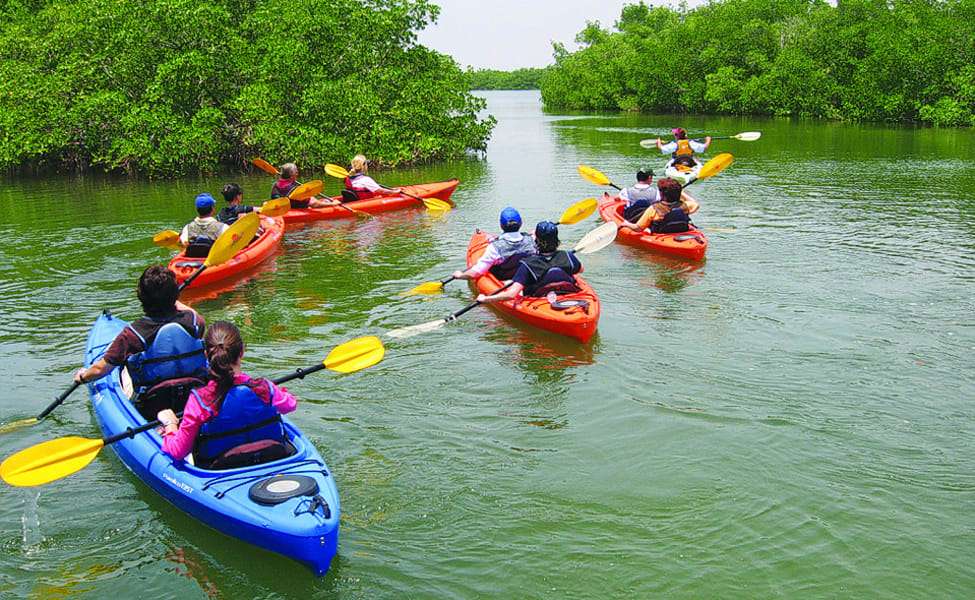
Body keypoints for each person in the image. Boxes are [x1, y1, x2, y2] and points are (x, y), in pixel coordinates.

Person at [156, 321, 298, 469]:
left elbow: (178, 451)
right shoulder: (265, 388)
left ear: (206, 355)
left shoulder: (200, 400)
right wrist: (281, 392)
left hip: (221, 468)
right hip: (272, 456)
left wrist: (170, 424)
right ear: (242, 351)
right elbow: (291, 405)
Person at [74, 266, 208, 419]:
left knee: (125, 369)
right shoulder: (195, 322)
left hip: (154, 407)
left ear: (141, 297)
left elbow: (100, 369)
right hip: (195, 397)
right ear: (175, 295)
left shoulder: (133, 334)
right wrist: (169, 296)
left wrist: (83, 376)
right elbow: (192, 313)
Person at [476, 221, 582, 304]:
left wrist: (486, 299)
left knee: (509, 283)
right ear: (556, 239)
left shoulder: (528, 264)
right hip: (569, 294)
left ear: (536, 240)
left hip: (538, 299)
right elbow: (581, 270)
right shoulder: (568, 256)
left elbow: (511, 294)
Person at [452, 207, 537, 281]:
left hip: (503, 279)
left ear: (501, 225)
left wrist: (460, 275)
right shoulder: (532, 241)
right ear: (521, 223)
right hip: (524, 280)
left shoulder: (495, 247)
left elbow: (476, 272)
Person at [620, 177, 699, 234]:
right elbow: (695, 203)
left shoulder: (654, 209)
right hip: (680, 231)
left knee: (648, 226)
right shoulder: (685, 206)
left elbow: (638, 228)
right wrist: (681, 192)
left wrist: (626, 224)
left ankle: (649, 230)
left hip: (661, 234)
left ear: (661, 193)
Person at [179, 193, 228, 258]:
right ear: (213, 208)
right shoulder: (223, 227)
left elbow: (183, 243)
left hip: (193, 260)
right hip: (214, 260)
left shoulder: (187, 228)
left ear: (197, 210)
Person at [270, 163, 336, 209]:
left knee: (318, 199)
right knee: (316, 200)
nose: (297, 174)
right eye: (296, 172)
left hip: (281, 209)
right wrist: (332, 204)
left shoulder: (275, 186)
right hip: (295, 211)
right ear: (292, 175)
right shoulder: (296, 189)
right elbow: (314, 204)